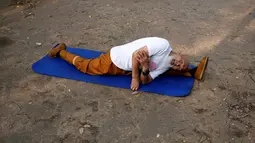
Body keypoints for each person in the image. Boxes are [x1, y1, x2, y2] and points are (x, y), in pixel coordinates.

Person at [48, 37, 208, 91]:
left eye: (180, 67)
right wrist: (135, 79)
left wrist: (145, 69)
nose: (178, 64)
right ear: (181, 53)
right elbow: (135, 55)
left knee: (162, 72)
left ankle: (192, 72)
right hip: (115, 60)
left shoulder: (167, 65)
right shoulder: (162, 45)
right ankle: (61, 51)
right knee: (86, 67)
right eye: (181, 62)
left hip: (133, 68)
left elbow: (148, 80)